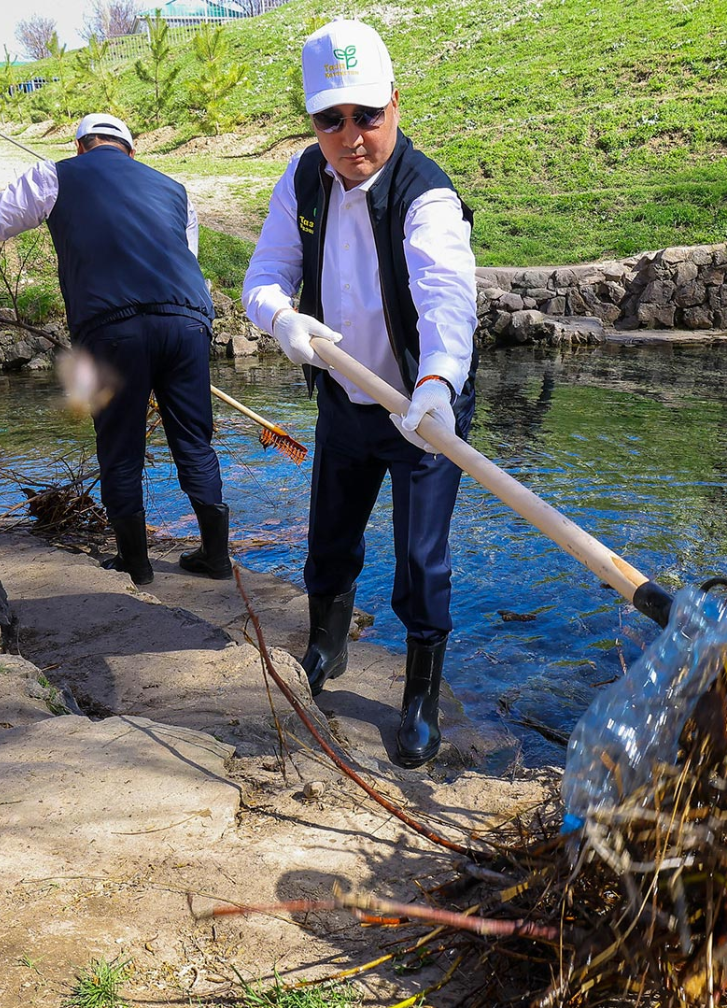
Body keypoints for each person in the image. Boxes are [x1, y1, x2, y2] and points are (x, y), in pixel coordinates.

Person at [242, 20, 477, 768]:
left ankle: (418, 699)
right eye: (330, 119)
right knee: (331, 537)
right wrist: (280, 317)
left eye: (366, 116)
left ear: (395, 106)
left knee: (420, 560)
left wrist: (437, 386)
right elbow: (264, 275)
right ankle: (324, 648)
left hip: (422, 413)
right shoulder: (302, 178)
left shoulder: (426, 197)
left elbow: (448, 303)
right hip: (345, 400)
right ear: (313, 121)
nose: (350, 137)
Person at [0, 114, 231, 585]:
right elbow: (185, 254)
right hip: (187, 324)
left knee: (119, 446)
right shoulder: (174, 189)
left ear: (82, 146)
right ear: (131, 150)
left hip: (111, 331)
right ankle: (216, 558)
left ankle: (136, 565)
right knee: (193, 440)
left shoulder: (55, 173)